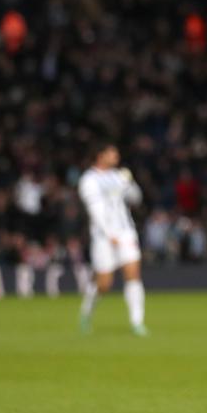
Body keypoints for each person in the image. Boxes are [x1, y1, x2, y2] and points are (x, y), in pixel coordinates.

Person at [77, 143, 148, 336]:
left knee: (133, 273)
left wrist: (130, 183)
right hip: (103, 236)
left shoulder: (118, 176)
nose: (116, 156)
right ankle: (86, 312)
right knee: (104, 284)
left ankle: (137, 322)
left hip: (126, 231)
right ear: (100, 155)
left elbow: (136, 199)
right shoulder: (88, 180)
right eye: (111, 153)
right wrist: (109, 234)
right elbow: (95, 211)